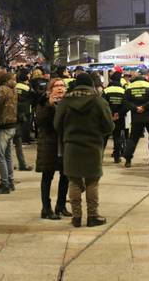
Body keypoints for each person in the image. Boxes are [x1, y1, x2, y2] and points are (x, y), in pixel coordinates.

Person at [54, 73, 114, 228]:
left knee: (73, 180)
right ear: (91, 85)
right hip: (93, 146)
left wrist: (68, 132)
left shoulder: (65, 102)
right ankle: (92, 216)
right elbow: (109, 126)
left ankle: (76, 217)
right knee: (92, 181)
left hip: (71, 146)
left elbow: (57, 125)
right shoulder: (99, 101)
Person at [35, 78, 71, 220]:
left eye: (62, 85)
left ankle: (61, 205)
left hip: (64, 143)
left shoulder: (68, 103)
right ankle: (46, 208)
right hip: (49, 143)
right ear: (50, 89)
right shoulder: (43, 103)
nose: (60, 88)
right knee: (47, 176)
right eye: (57, 86)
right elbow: (41, 122)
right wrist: (50, 105)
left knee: (65, 175)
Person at [123, 69, 149, 167]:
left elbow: (125, 102)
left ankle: (128, 160)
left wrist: (136, 108)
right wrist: (145, 107)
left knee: (133, 138)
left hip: (136, 117)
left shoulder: (129, 87)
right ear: (145, 77)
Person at [0, 68, 18, 195]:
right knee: (7, 155)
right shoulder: (13, 88)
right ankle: (10, 181)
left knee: (0, 156)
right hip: (12, 123)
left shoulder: (1, 90)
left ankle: (4, 183)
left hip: (3, 124)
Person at [102, 71, 127, 163]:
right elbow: (126, 105)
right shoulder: (123, 91)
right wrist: (119, 114)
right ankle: (117, 157)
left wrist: (109, 115)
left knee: (104, 137)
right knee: (117, 137)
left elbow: (103, 105)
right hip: (119, 118)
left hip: (107, 118)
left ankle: (100, 157)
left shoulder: (106, 90)